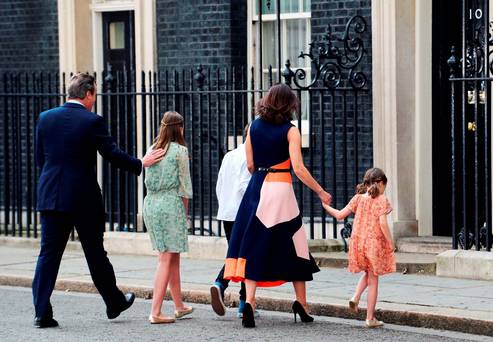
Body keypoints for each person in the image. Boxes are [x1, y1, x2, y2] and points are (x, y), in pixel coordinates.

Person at [32, 73, 165, 328]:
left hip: (50, 195)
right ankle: (113, 302)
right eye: (95, 95)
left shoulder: (45, 118)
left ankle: (41, 312)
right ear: (89, 93)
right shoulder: (92, 121)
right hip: (83, 199)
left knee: (47, 255)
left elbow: (41, 159)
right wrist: (140, 163)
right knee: (95, 253)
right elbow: (111, 154)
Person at [224, 84, 332, 328]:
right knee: (295, 243)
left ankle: (250, 301)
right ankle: (302, 304)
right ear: (289, 104)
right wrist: (320, 191)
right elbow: (299, 169)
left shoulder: (253, 126)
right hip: (281, 187)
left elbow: (250, 165)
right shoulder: (291, 131)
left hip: (257, 187)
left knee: (253, 244)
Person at [322, 168, 395, 328]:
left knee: (368, 273)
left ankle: (355, 297)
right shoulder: (381, 199)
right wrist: (390, 242)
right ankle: (370, 318)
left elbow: (340, 215)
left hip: (358, 242)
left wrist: (325, 206)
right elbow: (382, 223)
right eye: (384, 185)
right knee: (374, 280)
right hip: (374, 243)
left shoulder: (358, 198)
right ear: (381, 183)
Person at [143, 111, 194, 324]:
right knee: (166, 258)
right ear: (179, 128)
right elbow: (184, 187)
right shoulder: (180, 151)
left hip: (151, 204)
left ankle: (179, 306)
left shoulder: (152, 149)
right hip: (170, 204)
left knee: (172, 257)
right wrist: (185, 214)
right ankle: (155, 312)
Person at [210, 124, 251, 318]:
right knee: (245, 257)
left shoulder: (229, 155)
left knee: (237, 254)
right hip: (242, 213)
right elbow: (244, 186)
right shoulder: (251, 157)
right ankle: (240, 301)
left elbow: (219, 184)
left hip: (226, 212)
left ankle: (222, 286)